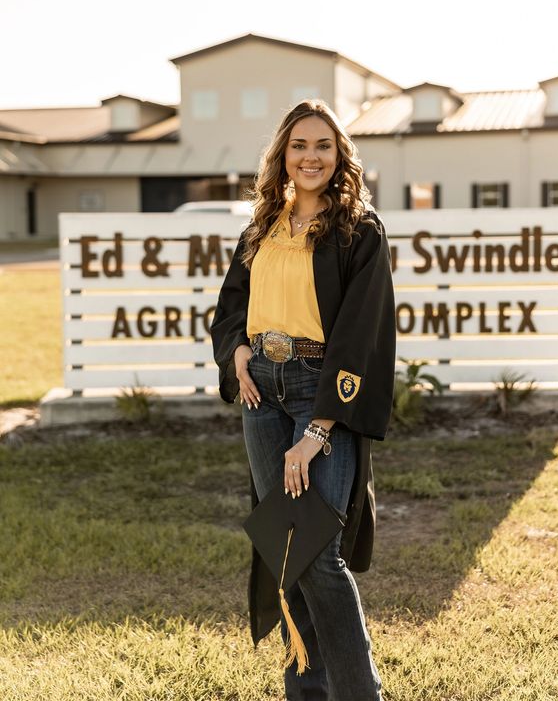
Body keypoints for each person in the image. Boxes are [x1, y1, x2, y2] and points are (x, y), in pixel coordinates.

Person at [210, 98, 396, 701]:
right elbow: (231, 303)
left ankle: (358, 693)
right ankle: (307, 693)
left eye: (322, 145)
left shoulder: (357, 231)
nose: (310, 156)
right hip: (260, 391)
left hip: (322, 393)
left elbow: (361, 331)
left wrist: (318, 429)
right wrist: (236, 351)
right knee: (288, 548)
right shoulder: (262, 225)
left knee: (315, 552)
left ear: (339, 154)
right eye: (298, 146)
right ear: (282, 156)